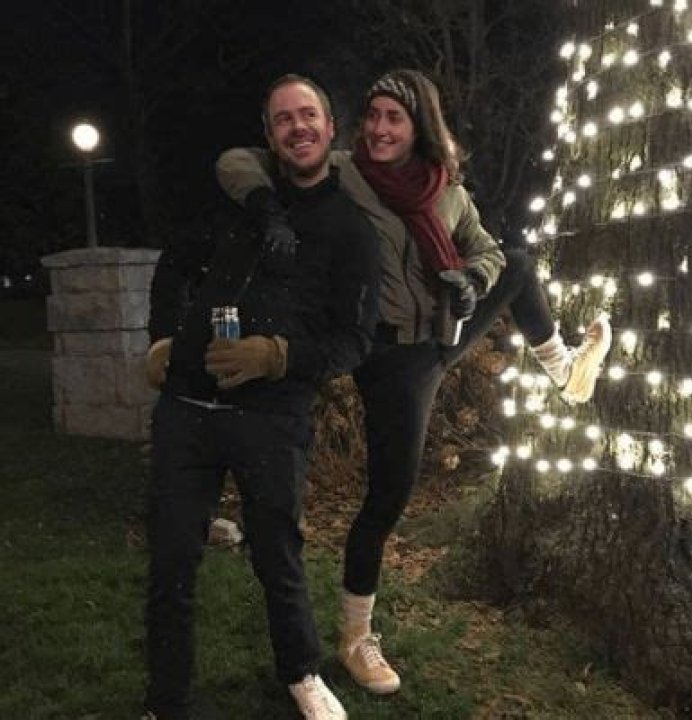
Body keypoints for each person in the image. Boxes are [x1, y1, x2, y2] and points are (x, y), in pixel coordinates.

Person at [216, 69, 612, 697]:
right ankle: (356, 636)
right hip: (384, 354)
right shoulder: (344, 172)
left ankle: (564, 370)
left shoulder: (445, 189)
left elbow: (485, 251)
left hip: (440, 335)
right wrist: (265, 205)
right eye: (372, 115)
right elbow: (236, 161)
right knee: (389, 498)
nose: (378, 129)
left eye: (393, 118)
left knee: (517, 262)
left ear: (419, 125)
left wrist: (472, 280)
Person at [142, 73, 381, 720]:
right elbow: (173, 266)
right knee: (171, 562)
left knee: (278, 555)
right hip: (188, 409)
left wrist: (279, 356)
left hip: (272, 417)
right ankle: (165, 700)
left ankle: (300, 672)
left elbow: (355, 340)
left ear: (330, 129)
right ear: (270, 137)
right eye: (283, 119)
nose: (297, 127)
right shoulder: (239, 203)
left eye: (308, 115)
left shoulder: (351, 230)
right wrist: (162, 339)